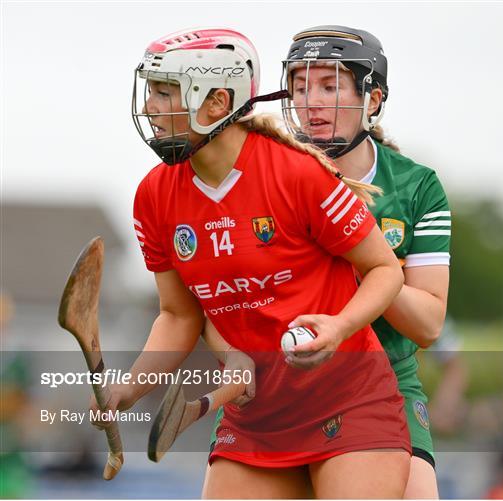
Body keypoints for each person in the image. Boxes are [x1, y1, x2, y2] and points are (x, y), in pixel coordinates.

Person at [91, 27, 411, 498]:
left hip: (349, 404)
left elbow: (386, 271)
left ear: (218, 102)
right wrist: (129, 389)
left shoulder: (296, 174)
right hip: (255, 419)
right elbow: (179, 315)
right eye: (151, 92)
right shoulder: (154, 196)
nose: (151, 107)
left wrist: (339, 327)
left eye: (165, 93)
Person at [279, 25, 452, 499]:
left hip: (389, 381)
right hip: (286, 388)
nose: (310, 101)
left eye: (330, 86)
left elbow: (429, 324)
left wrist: (360, 252)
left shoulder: (416, 187)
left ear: (372, 99)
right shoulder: (268, 175)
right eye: (299, 87)